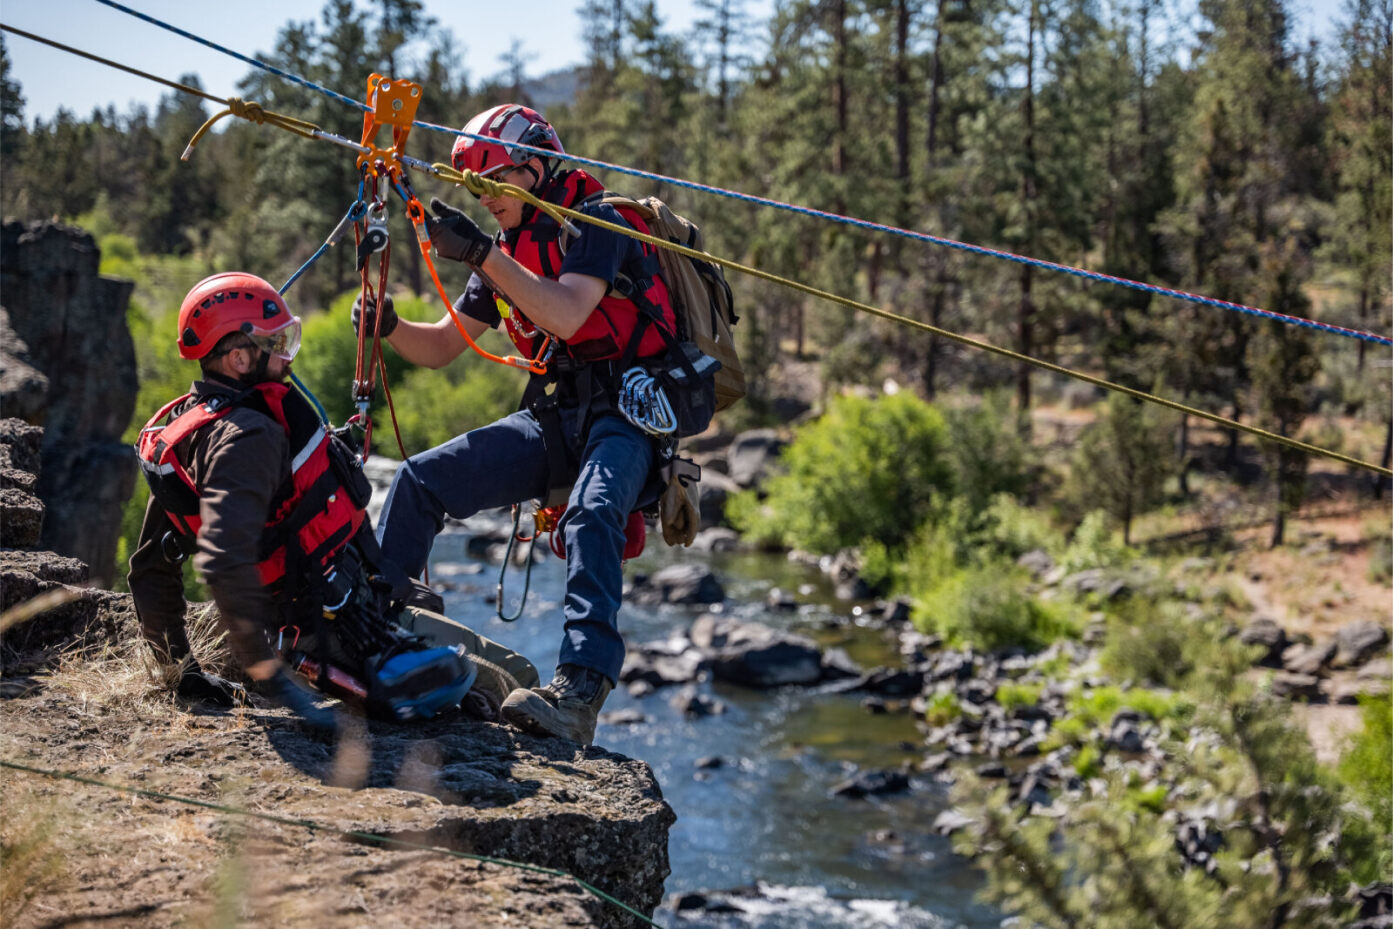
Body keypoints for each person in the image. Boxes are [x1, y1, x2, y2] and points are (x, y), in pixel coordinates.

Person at [359, 104, 680, 745]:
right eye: (475, 186)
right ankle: (375, 633)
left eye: (492, 180)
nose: (483, 198)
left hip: (632, 411)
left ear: (534, 169)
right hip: (561, 413)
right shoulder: (507, 251)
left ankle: (578, 694)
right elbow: (445, 346)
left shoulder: (595, 224)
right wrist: (391, 327)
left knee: (591, 511)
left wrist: (479, 254)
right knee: (422, 480)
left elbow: (564, 313)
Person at [128, 271, 537, 731]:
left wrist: (180, 671)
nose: (288, 356)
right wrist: (265, 671)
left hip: (328, 618)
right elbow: (223, 559)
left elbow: (150, 569)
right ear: (240, 358)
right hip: (340, 636)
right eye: (276, 343)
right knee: (521, 678)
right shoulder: (248, 439)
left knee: (429, 608)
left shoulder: (190, 432)